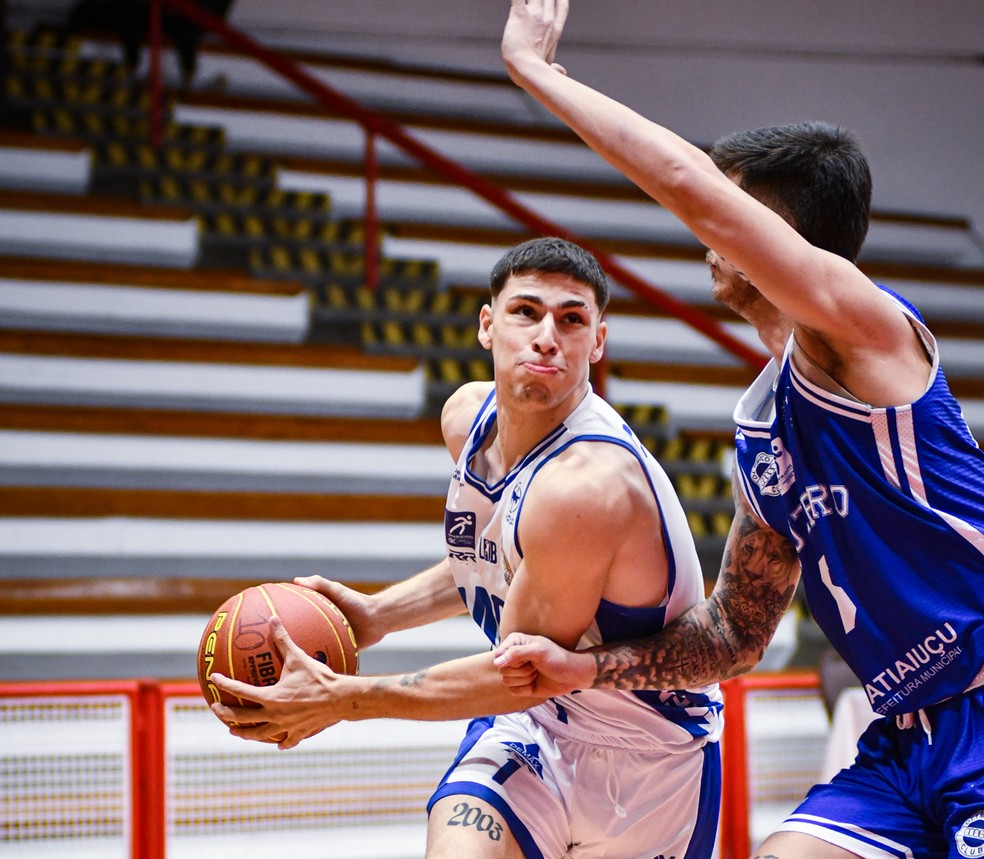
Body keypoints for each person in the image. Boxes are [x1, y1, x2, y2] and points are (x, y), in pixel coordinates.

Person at [493, 3, 984, 858]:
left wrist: (539, 73)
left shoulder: (869, 334)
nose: (708, 225)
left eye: (734, 205)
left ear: (776, 236)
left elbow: (691, 189)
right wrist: (589, 669)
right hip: (904, 738)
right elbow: (733, 633)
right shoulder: (764, 426)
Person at [210, 236, 724, 859]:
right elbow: (494, 560)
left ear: (599, 341)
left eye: (571, 319)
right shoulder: (467, 420)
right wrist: (379, 615)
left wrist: (345, 699)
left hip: (648, 764)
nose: (546, 336)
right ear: (488, 325)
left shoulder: (586, 486)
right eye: (525, 312)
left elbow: (518, 677)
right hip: (534, 729)